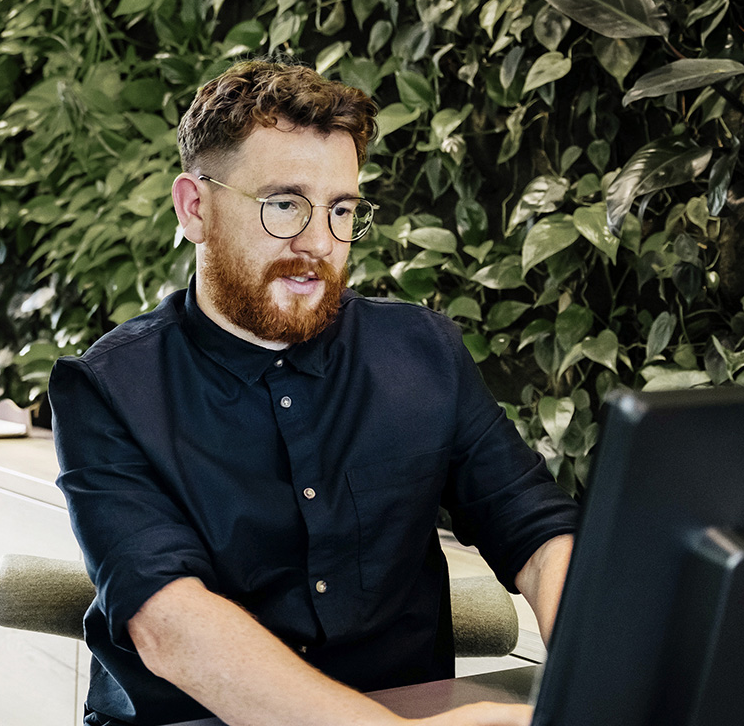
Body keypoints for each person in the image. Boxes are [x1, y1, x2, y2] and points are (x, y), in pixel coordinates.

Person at [49, 59, 578, 726]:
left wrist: (594, 684)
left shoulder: (425, 354)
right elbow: (172, 626)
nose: (319, 242)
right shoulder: (107, 388)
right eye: (283, 205)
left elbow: (539, 533)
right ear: (195, 208)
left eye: (341, 209)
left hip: (402, 708)